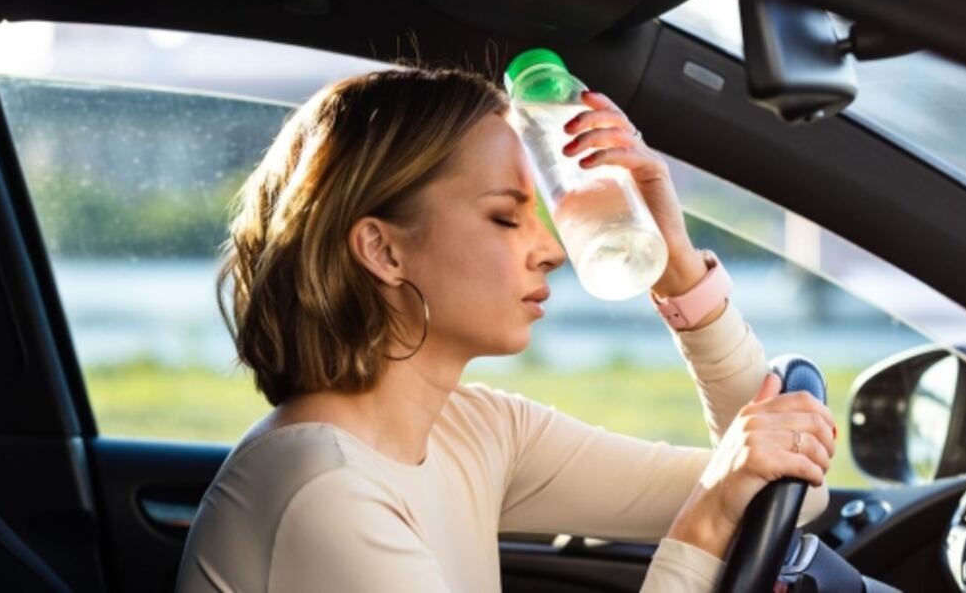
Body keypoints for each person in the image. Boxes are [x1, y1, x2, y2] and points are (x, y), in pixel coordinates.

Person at [174, 64, 835, 592]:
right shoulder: (323, 490)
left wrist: (678, 268)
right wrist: (707, 522)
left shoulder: (477, 430)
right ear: (383, 250)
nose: (550, 250)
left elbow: (787, 494)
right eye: (504, 217)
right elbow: (727, 505)